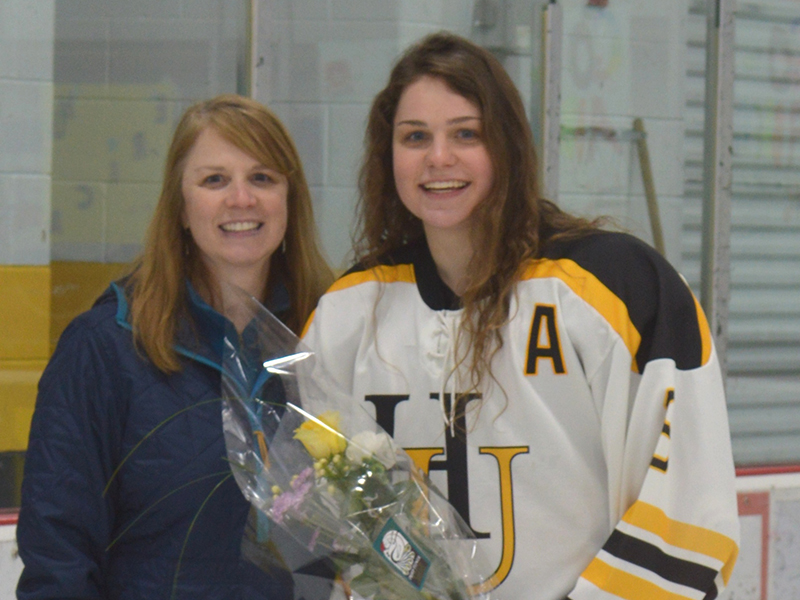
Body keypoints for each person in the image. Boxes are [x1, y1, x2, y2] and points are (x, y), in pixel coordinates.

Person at [301, 33, 740, 600]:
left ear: (507, 146)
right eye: (415, 137)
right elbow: (330, 515)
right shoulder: (350, 311)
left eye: (467, 133)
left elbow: (689, 500)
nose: (438, 158)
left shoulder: (619, 289)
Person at [16, 94, 334, 599]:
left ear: (289, 201)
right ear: (181, 209)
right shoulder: (106, 349)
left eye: (262, 178)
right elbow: (58, 555)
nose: (241, 199)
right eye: (214, 180)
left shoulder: (332, 337)